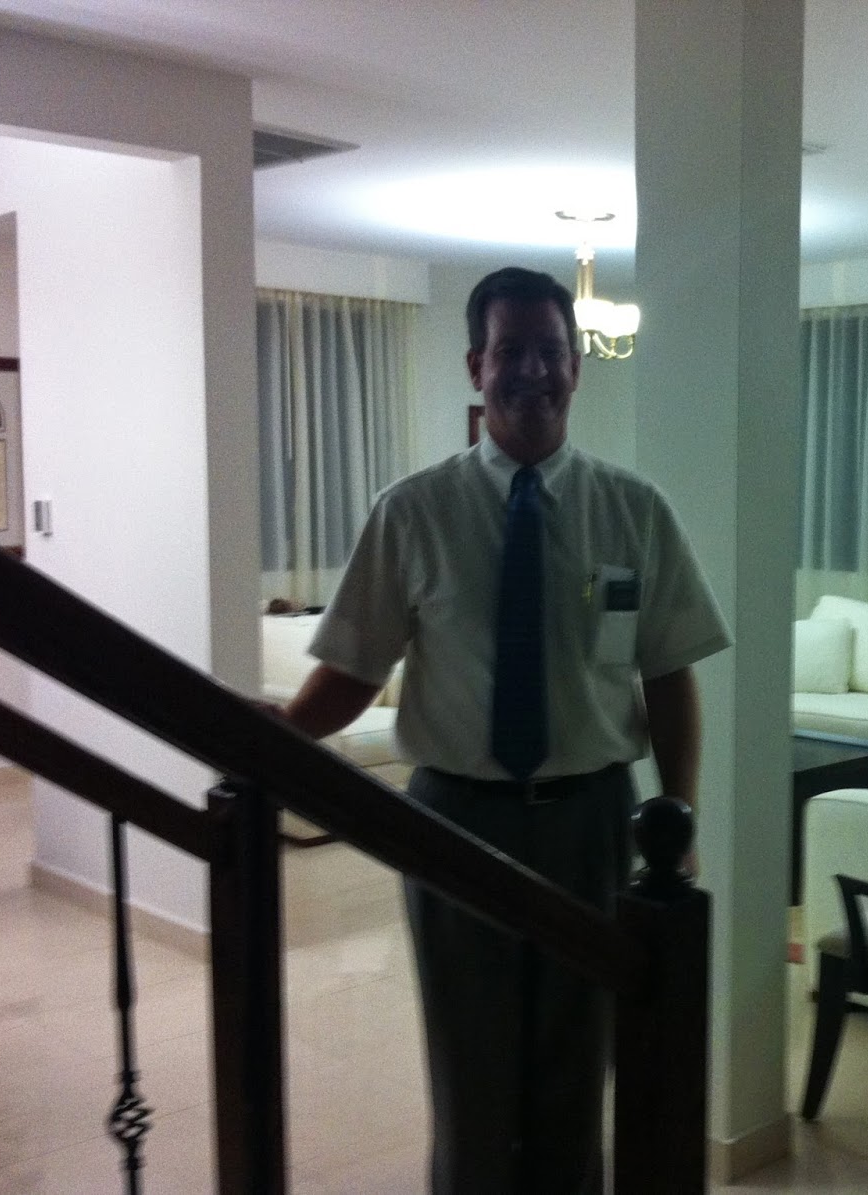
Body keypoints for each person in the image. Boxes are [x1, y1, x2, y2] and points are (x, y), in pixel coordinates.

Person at [281, 266, 731, 1193]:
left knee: (580, 1062)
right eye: (511, 350)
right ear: (475, 366)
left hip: (595, 821)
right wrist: (274, 741)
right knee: (470, 1068)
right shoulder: (414, 511)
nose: (533, 370)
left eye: (550, 352)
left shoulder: (633, 509)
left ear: (577, 368)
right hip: (455, 823)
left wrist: (678, 818)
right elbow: (355, 671)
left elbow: (668, 674)